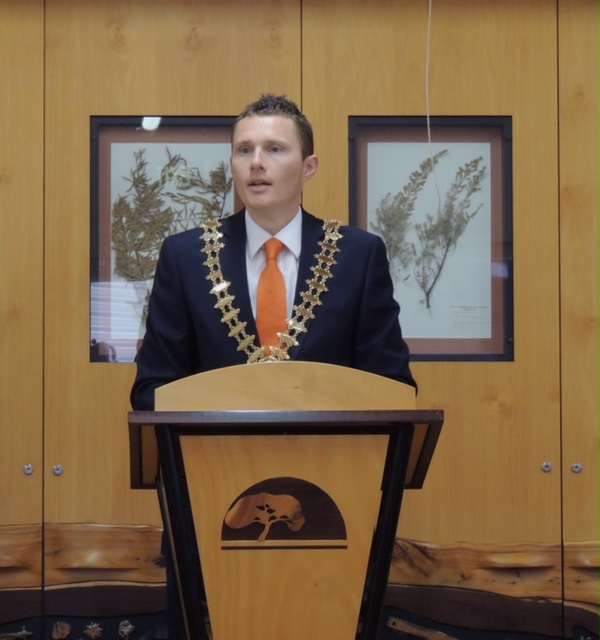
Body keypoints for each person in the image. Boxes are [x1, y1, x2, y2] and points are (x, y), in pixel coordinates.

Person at [130, 93, 416, 637]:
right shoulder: (185, 256)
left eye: (274, 149)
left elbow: (392, 386)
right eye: (244, 150)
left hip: (332, 510)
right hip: (214, 506)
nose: (256, 162)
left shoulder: (358, 256)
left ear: (308, 167)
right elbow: (152, 390)